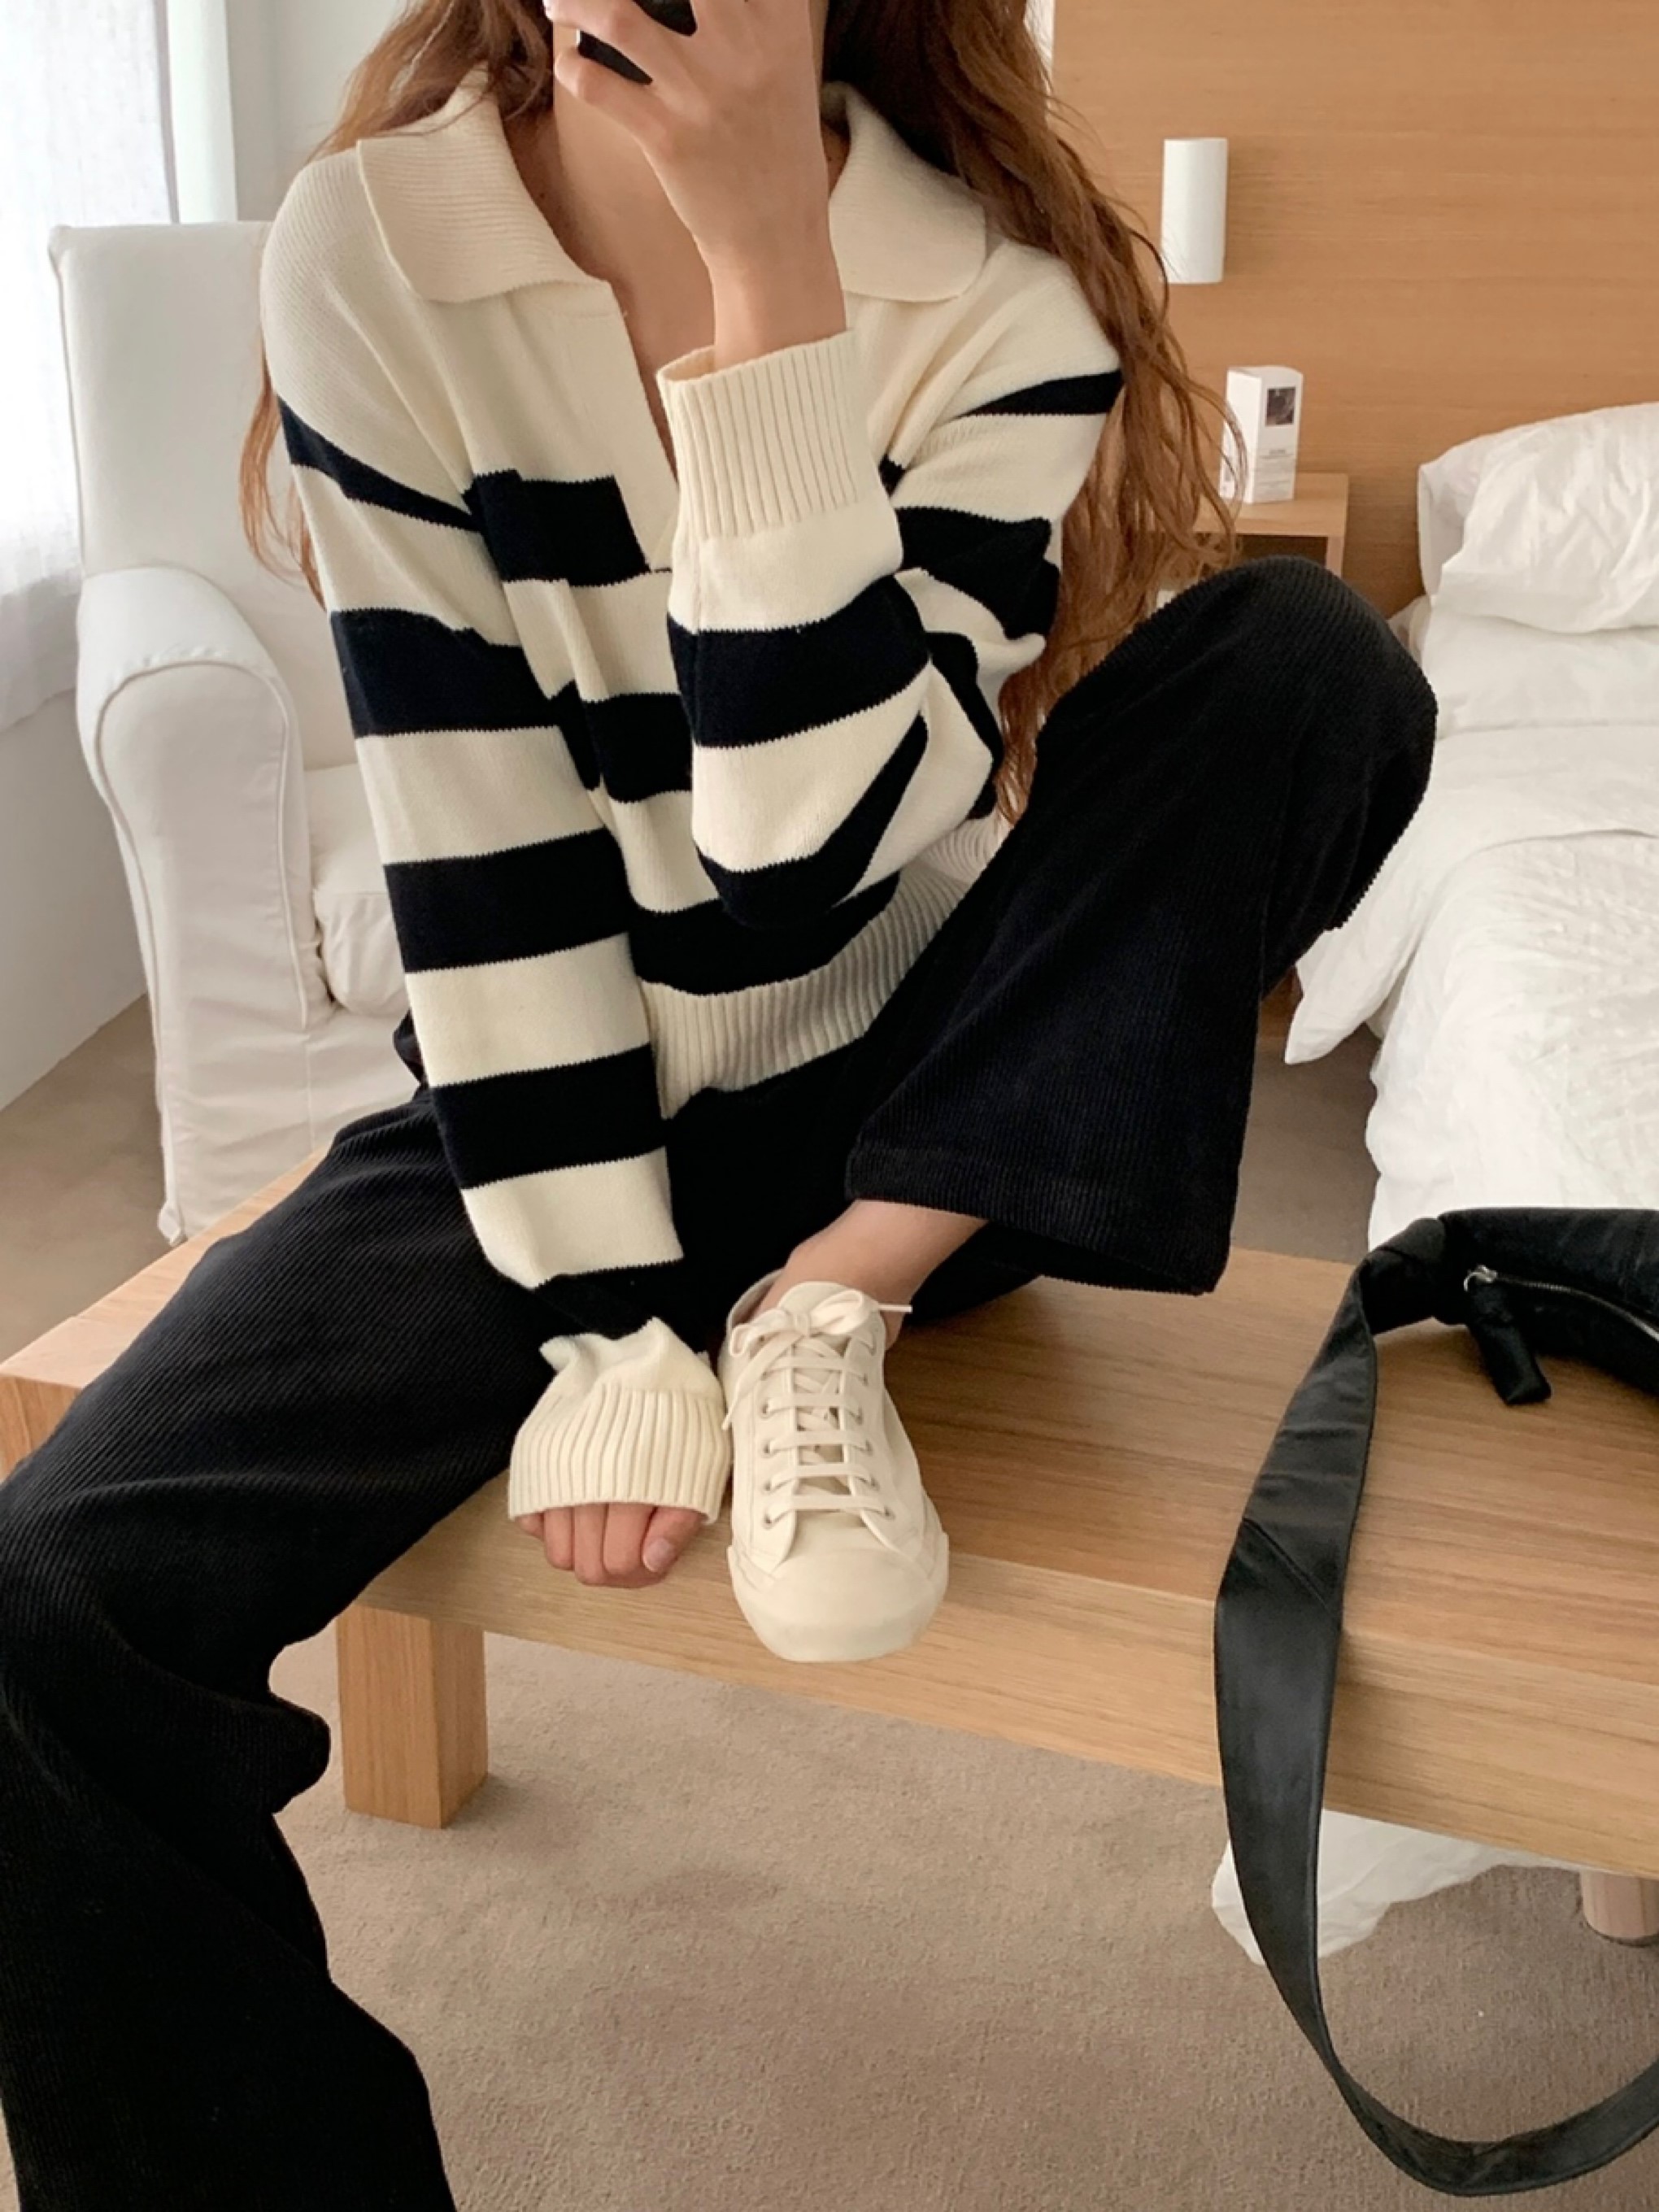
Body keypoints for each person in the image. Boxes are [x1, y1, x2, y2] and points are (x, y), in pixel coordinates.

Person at [0, 0, 1439, 2201]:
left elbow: (806, 849)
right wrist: (600, 1322)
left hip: (935, 1114)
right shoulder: (378, 244)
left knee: (1306, 664)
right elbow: (475, 835)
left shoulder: (994, 297)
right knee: (44, 1610)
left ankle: (831, 1304)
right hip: (544, 1092)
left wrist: (769, 272)